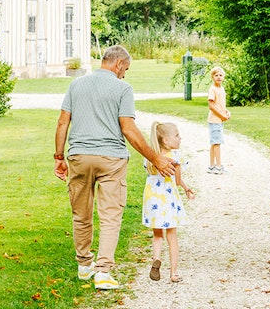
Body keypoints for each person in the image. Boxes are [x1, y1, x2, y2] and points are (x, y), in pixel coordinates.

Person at [53, 45, 177, 291]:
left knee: (81, 213)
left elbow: (62, 122)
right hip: (111, 159)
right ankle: (103, 271)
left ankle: (84, 265)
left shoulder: (76, 85)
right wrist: (157, 159)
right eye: (126, 69)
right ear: (119, 63)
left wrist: (59, 156)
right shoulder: (122, 88)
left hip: (79, 156)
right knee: (110, 216)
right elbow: (128, 129)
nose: (125, 75)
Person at [143, 121, 195, 283]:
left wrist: (186, 187)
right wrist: (185, 187)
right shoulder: (176, 158)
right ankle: (173, 273)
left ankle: (156, 259)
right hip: (168, 200)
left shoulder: (151, 159)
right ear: (165, 140)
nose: (180, 138)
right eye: (177, 135)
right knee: (172, 236)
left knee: (157, 234)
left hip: (153, 199)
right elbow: (176, 181)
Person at [206, 66, 231, 173]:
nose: (219, 77)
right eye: (216, 75)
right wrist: (222, 116)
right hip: (214, 120)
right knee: (217, 143)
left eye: (221, 75)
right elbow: (211, 106)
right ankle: (218, 166)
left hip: (219, 119)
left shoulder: (221, 89)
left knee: (214, 143)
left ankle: (212, 166)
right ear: (212, 77)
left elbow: (220, 105)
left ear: (223, 77)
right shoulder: (212, 89)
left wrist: (226, 112)